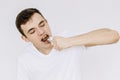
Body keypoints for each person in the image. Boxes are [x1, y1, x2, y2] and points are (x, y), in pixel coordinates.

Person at [16, 8, 119, 80]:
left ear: (47, 22)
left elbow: (113, 36)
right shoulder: (25, 59)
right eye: (32, 31)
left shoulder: (66, 37)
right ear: (25, 38)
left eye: (42, 24)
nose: (41, 32)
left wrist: (69, 41)